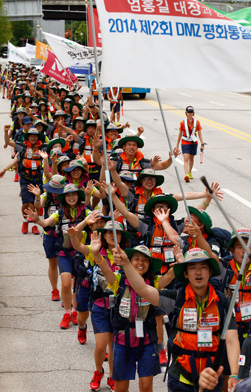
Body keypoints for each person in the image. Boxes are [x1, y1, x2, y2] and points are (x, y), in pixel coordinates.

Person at [113, 246, 240, 392]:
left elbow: (231, 340)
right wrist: (127, 265)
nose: (198, 272)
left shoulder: (223, 302)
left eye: (203, 267)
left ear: (210, 271)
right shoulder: (175, 299)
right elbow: (143, 289)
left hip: (211, 378)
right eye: (193, 268)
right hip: (180, 378)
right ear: (185, 273)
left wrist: (235, 374)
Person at [24, 184, 92, 329]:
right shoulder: (60, 212)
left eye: (74, 194)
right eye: (68, 195)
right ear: (64, 198)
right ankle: (67, 313)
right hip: (65, 253)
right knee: (66, 283)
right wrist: (37, 219)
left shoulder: (86, 211)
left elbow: (97, 222)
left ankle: (75, 312)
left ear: (78, 196)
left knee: (77, 286)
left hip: (82, 254)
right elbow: (45, 222)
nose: (71, 197)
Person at [27, 175, 66, 301]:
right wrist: (37, 196)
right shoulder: (46, 195)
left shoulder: (67, 197)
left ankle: (67, 294)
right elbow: (38, 205)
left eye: (57, 190)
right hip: (50, 235)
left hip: (65, 236)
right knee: (53, 264)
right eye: (53, 189)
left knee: (65, 266)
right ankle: (54, 290)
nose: (55, 193)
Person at [176, 106, 204, 182]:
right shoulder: (183, 122)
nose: (190, 113)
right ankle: (186, 175)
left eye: (191, 112)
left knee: (191, 158)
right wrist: (177, 145)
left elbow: (200, 134)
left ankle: (189, 171)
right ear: (186, 113)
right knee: (186, 158)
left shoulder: (197, 122)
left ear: (193, 113)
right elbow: (179, 134)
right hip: (185, 142)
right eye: (188, 112)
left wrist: (202, 144)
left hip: (193, 143)